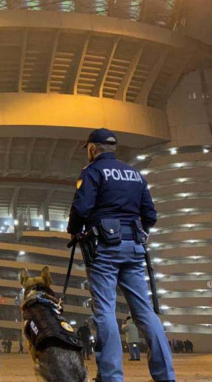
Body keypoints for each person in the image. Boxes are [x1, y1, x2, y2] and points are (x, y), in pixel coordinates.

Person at [67, 128, 175, 382]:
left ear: (93, 148)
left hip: (104, 246)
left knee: (105, 310)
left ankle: (110, 375)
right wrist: (139, 232)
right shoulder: (135, 174)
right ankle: (165, 375)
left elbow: (81, 208)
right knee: (145, 312)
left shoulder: (92, 172)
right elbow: (151, 215)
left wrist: (73, 232)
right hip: (135, 246)